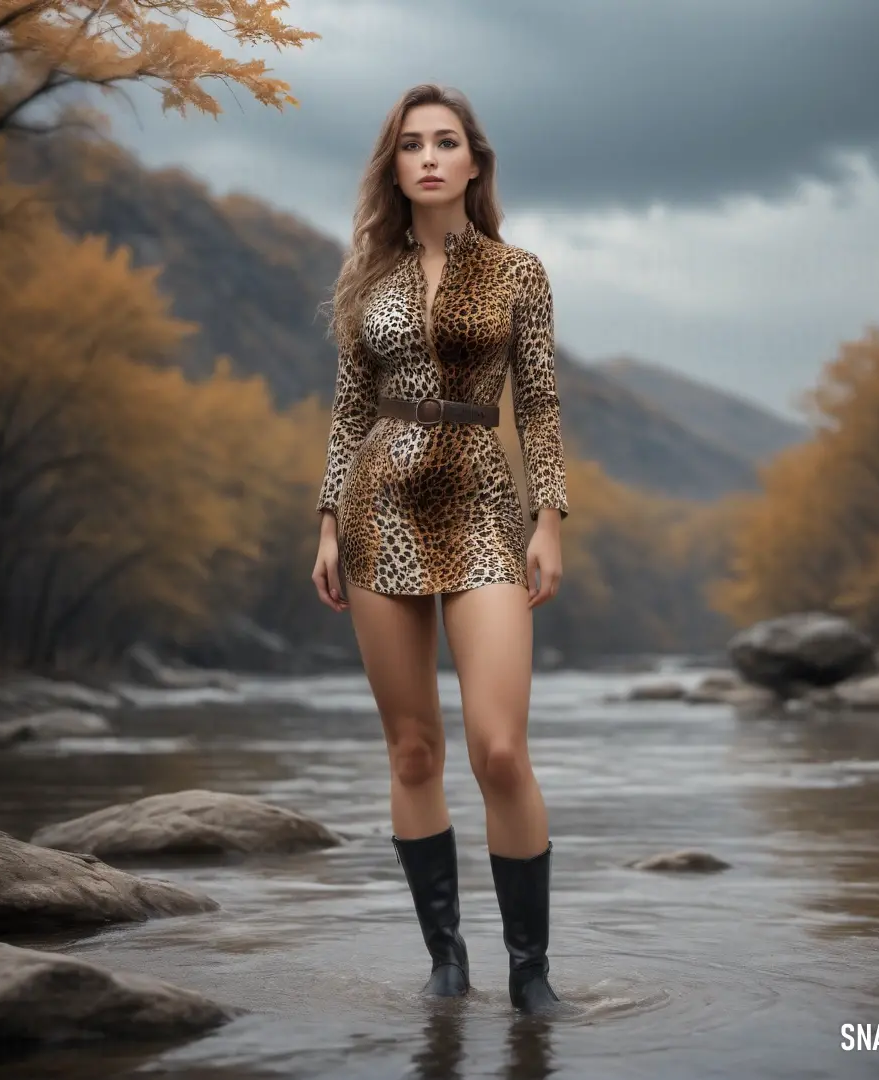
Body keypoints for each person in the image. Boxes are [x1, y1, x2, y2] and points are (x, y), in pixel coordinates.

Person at [311, 83, 568, 1016]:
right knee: (413, 750)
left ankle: (531, 972)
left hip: (482, 504)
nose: (427, 156)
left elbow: (537, 404)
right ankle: (447, 962)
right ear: (396, 166)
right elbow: (348, 410)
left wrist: (550, 518)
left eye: (445, 141)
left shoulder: (518, 272)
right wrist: (329, 522)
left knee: (500, 750)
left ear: (473, 162)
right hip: (379, 506)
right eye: (411, 143)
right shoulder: (364, 279)